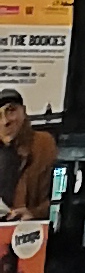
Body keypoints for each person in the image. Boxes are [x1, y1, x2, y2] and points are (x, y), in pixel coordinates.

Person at [0, 90, 55, 218]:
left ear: (23, 111)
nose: (5, 121)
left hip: (28, 229)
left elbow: (57, 196)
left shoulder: (42, 144)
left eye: (11, 111)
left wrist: (34, 213)